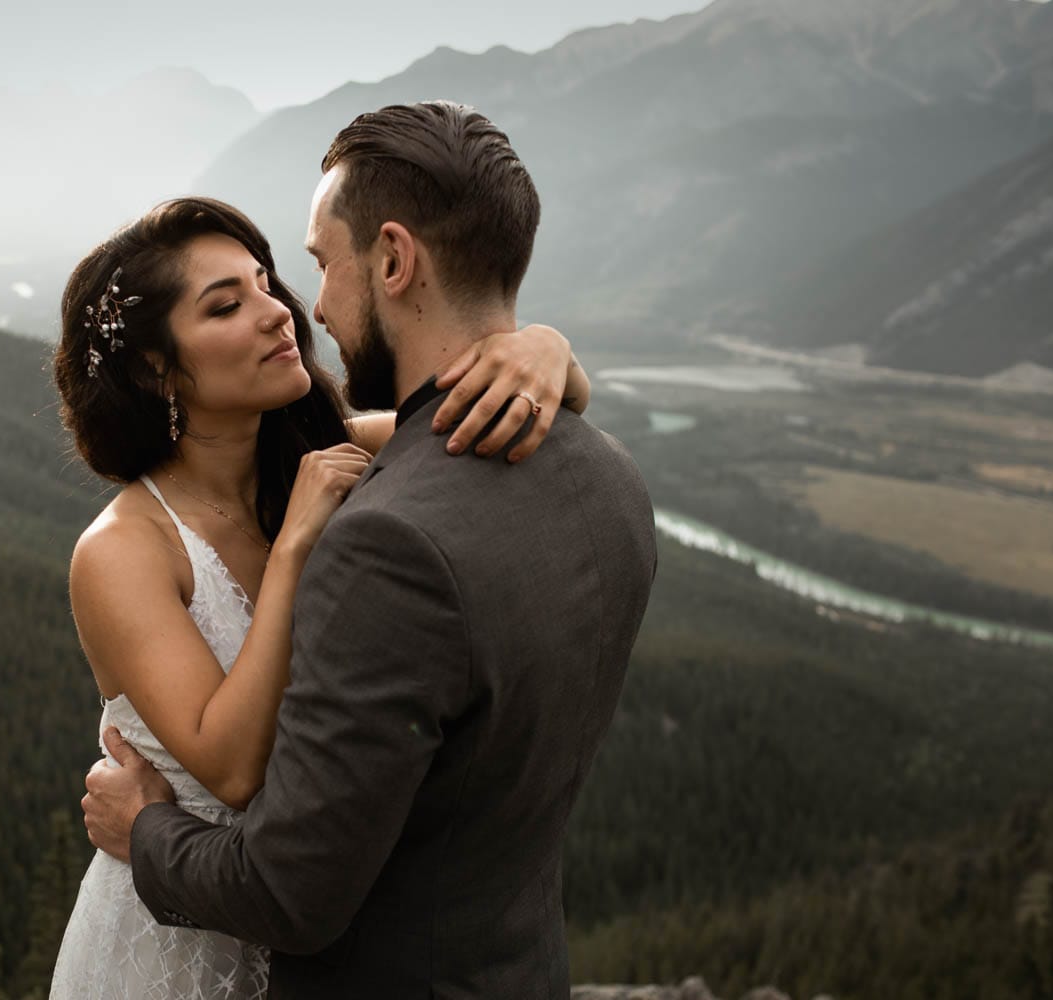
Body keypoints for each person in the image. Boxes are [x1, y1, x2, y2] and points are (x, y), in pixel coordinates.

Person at [81, 102, 658, 999]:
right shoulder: (125, 546)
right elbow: (231, 769)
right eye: (228, 304)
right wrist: (298, 546)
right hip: (179, 943)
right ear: (157, 367)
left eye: (279, 277)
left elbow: (465, 408)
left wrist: (544, 352)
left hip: (281, 916)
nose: (289, 312)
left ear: (392, 261)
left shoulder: (332, 462)